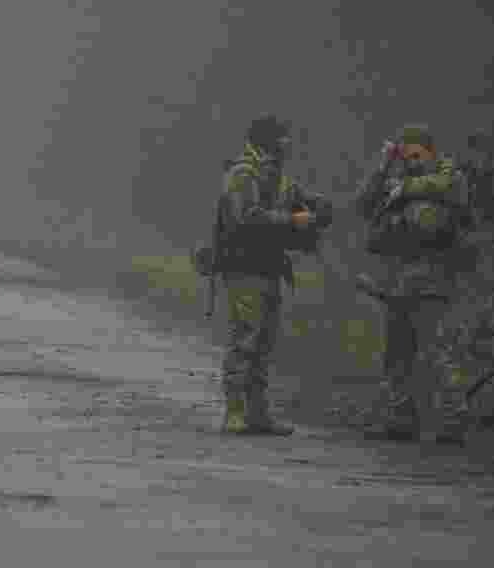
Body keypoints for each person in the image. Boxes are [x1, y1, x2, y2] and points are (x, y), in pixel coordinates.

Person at [201, 114, 333, 435]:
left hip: (269, 267)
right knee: (244, 340)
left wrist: (320, 209)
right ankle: (234, 412)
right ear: (268, 140)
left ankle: (258, 414)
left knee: (264, 345)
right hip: (243, 267)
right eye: (283, 137)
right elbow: (245, 217)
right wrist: (294, 220)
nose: (288, 143)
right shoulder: (242, 173)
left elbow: (308, 202)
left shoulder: (279, 177)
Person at [352, 124, 475, 445]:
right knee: (397, 355)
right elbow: (363, 205)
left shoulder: (449, 177)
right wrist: (383, 167)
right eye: (406, 156)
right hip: (398, 278)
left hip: (434, 277)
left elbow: (451, 188)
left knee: (439, 353)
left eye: (417, 155)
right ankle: (400, 419)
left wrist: (404, 187)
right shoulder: (394, 181)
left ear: (431, 152)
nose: (412, 161)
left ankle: (453, 421)